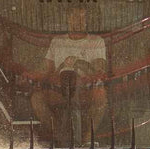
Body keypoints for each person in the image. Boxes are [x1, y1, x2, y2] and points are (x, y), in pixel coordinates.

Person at [29, 8, 108, 139]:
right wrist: (29, 73)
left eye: (82, 18)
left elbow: (99, 69)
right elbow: (46, 69)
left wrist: (79, 62)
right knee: (37, 99)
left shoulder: (97, 41)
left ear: (87, 21)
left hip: (85, 90)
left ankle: (87, 139)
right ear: (68, 19)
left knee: (101, 96)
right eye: (75, 17)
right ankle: (59, 136)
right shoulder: (57, 41)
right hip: (59, 90)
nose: (79, 21)